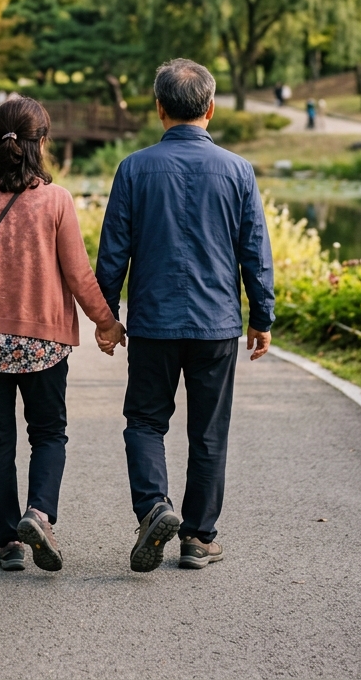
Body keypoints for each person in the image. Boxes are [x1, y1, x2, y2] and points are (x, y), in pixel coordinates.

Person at [95, 59, 275, 573]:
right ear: (211, 109)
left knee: (145, 422)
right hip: (217, 323)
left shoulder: (133, 168)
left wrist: (107, 318)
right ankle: (198, 538)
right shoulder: (238, 170)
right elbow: (254, 252)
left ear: (159, 109)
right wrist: (261, 316)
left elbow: (113, 253)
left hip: (153, 322)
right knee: (209, 431)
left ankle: (153, 507)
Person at [0, 97, 125, 573]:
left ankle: (8, 542)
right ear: (41, 143)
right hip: (43, 344)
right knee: (48, 434)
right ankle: (39, 514)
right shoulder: (56, 199)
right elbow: (79, 275)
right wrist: (106, 323)